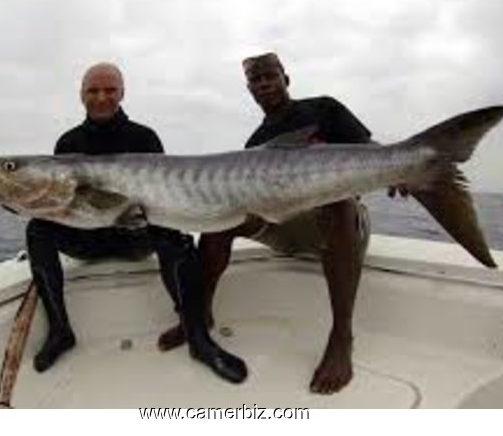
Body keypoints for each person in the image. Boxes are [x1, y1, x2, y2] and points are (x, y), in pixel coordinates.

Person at [157, 53, 372, 394]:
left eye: (270, 76)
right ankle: (200, 315)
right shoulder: (255, 145)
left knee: (337, 203)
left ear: (287, 78)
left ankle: (341, 336)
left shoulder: (324, 110)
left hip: (342, 223)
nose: (264, 84)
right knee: (219, 219)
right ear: (250, 90)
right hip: (285, 224)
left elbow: (368, 150)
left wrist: (400, 173)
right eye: (256, 81)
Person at [26, 62, 247, 384]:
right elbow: (62, 202)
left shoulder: (144, 137)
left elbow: (163, 197)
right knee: (37, 230)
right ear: (81, 95)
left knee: (175, 237)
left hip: (135, 238)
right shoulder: (67, 143)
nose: (102, 97)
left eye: (110, 90)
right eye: (93, 90)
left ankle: (198, 338)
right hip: (87, 239)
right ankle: (60, 331)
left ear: (122, 93)